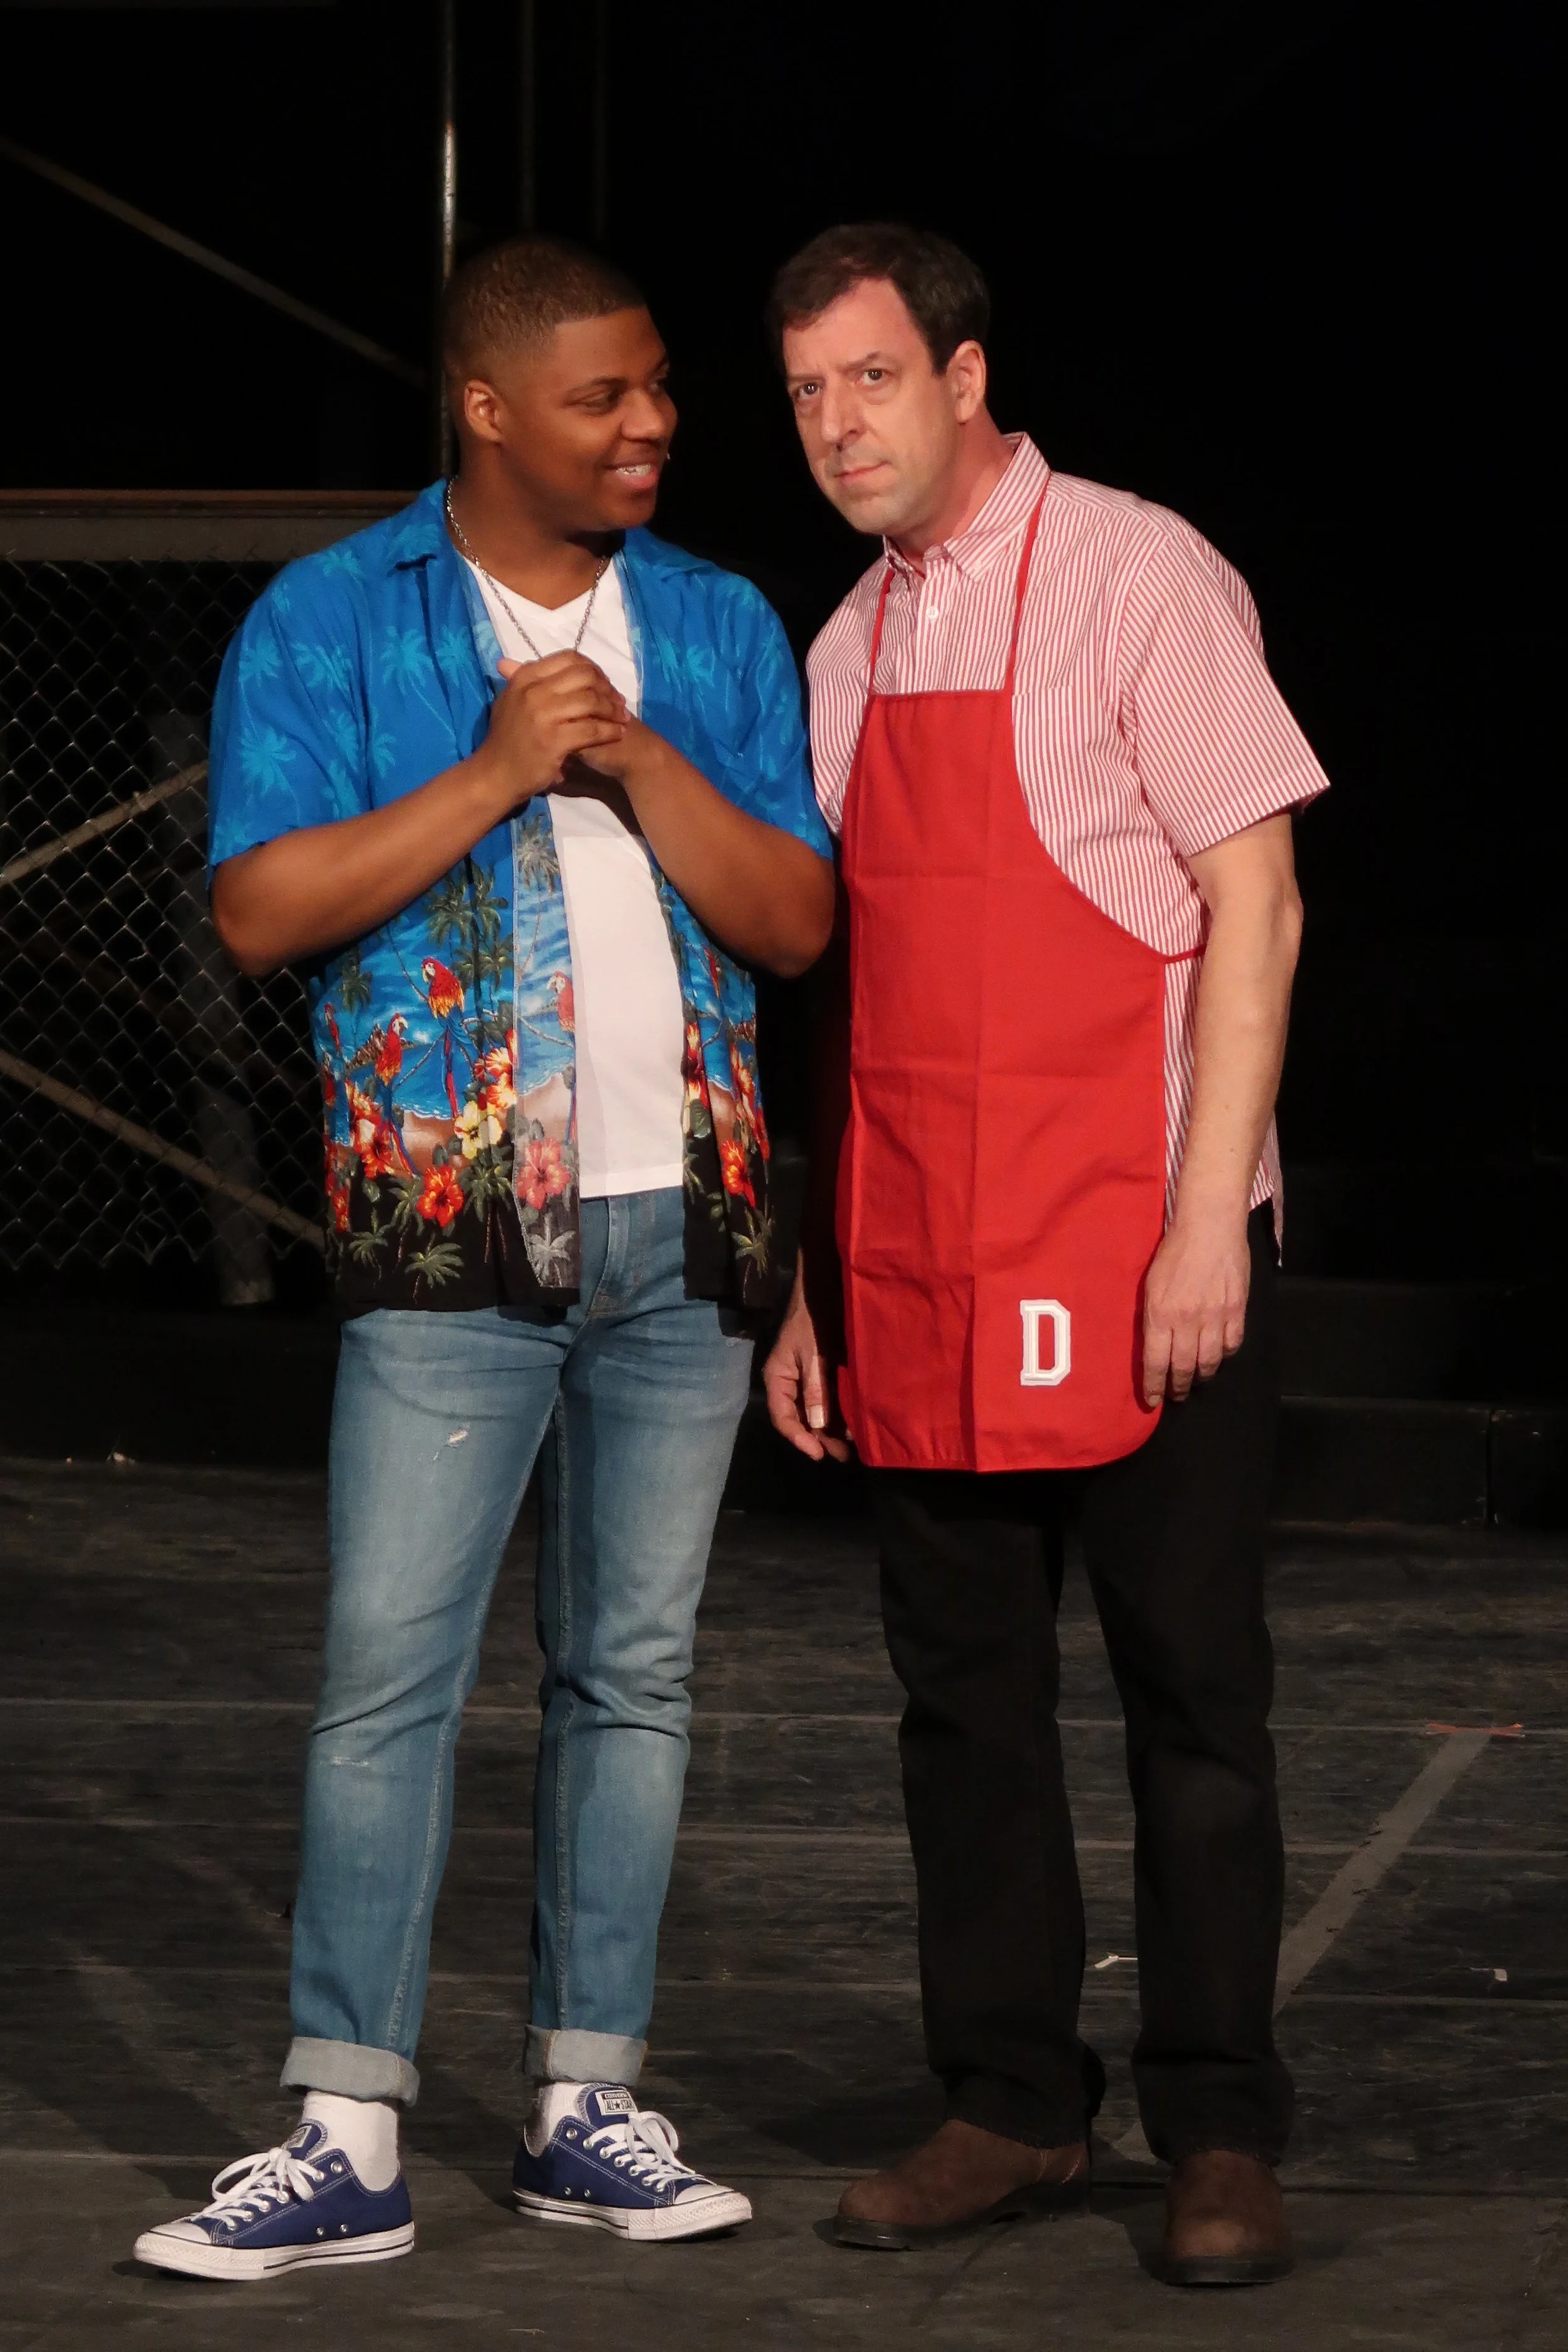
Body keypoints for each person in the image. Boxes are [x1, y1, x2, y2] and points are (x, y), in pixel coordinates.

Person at [133, 235, 834, 2280]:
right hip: (448, 1233)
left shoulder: (711, 620)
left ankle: (583, 2101)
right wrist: (499, 768)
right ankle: (345, 2126)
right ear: (488, 406)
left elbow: (794, 921)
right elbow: (260, 909)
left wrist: (638, 757)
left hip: (683, 1227)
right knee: (389, 1682)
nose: (654, 423)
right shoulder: (335, 615)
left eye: (659, 387)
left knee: (633, 1675)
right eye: (609, 394)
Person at [763, 222, 1328, 2286]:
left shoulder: (1133, 572)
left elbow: (1253, 902)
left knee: (1193, 1699)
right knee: (963, 1706)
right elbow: (853, 999)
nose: (836, 426)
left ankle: (1218, 2124)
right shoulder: (844, 645)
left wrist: (1202, 1223)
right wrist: (816, 1277)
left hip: (1132, 1237)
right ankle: (1008, 2097)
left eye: (869, 379)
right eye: (804, 393)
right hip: (921, 1247)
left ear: (965, 376)